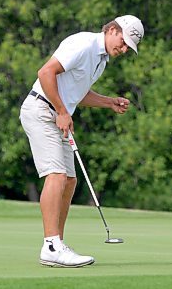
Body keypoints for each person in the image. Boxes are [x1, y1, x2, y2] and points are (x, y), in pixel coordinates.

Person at [19, 15, 144, 268]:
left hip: (57, 114)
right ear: (111, 29)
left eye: (127, 48)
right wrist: (63, 112)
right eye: (122, 42)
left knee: (69, 180)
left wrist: (109, 102)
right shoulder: (84, 44)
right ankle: (51, 245)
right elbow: (45, 73)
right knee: (56, 174)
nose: (122, 50)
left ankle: (58, 244)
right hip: (42, 110)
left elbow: (79, 93)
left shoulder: (101, 61)